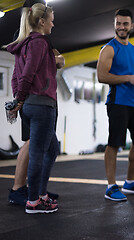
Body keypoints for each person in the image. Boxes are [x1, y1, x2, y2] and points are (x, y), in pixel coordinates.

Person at [7, 0, 63, 206]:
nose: (53, 24)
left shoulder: (25, 42)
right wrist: (20, 99)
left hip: (32, 103)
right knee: (37, 151)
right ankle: (34, 200)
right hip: (40, 104)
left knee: (50, 149)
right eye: (51, 21)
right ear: (41, 21)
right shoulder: (39, 42)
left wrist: (18, 99)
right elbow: (27, 73)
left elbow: (17, 75)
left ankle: (39, 193)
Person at [97, 9, 134, 201]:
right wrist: (128, 78)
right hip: (117, 101)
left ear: (131, 26)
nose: (121, 27)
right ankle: (111, 186)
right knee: (114, 143)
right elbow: (102, 76)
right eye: (118, 23)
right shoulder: (109, 49)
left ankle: (130, 181)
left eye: (125, 24)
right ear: (114, 24)